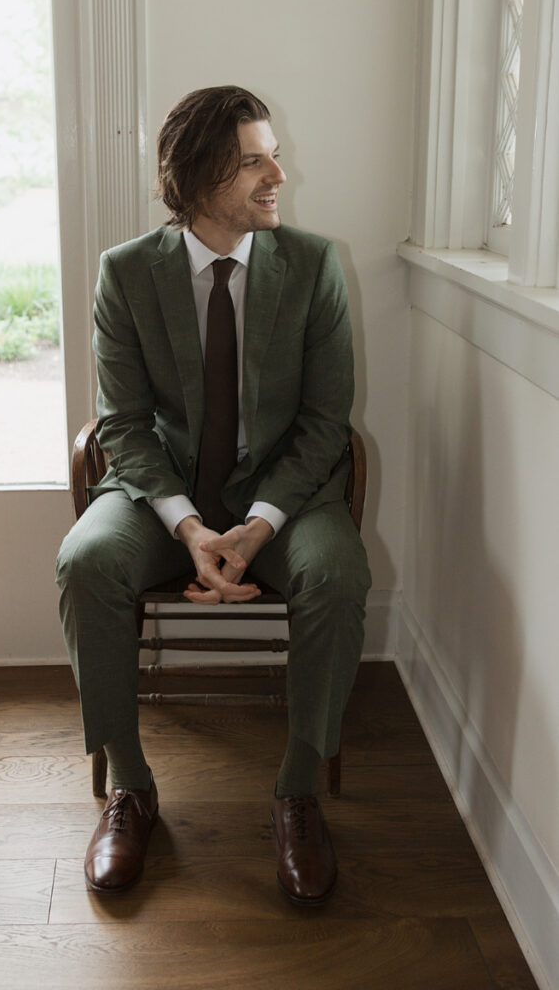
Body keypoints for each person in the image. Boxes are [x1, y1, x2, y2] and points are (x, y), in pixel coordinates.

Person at [56, 85, 371, 906]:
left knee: (336, 577)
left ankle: (296, 791)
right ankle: (130, 788)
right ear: (197, 182)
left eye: (273, 152)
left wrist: (259, 525)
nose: (278, 172)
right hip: (163, 497)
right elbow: (121, 424)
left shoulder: (313, 265)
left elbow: (323, 421)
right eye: (252, 160)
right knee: (86, 560)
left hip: (287, 497)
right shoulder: (126, 274)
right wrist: (191, 528)